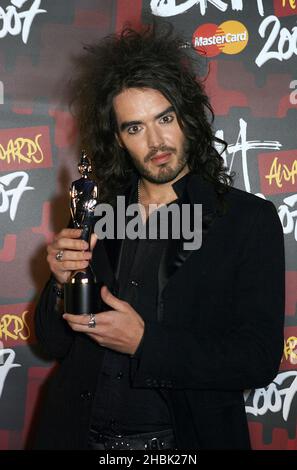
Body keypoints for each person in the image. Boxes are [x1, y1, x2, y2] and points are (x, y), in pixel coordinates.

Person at [34, 25, 285, 450]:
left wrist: (146, 343)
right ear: (118, 138)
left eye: (164, 118)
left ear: (186, 117)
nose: (155, 142)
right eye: (134, 128)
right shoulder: (100, 213)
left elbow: (256, 360)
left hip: (178, 443)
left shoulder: (247, 220)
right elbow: (54, 341)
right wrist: (59, 284)